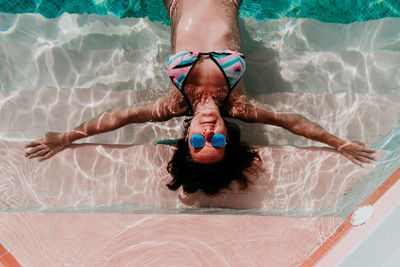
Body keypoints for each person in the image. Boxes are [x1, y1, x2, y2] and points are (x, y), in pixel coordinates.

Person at [24, 0, 376, 195]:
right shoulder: (239, 104)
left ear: (185, 138)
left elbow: (118, 118)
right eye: (218, 140)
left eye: (198, 142)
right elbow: (294, 123)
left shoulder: (172, 104)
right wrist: (339, 143)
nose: (208, 131)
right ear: (230, 138)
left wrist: (67, 136)